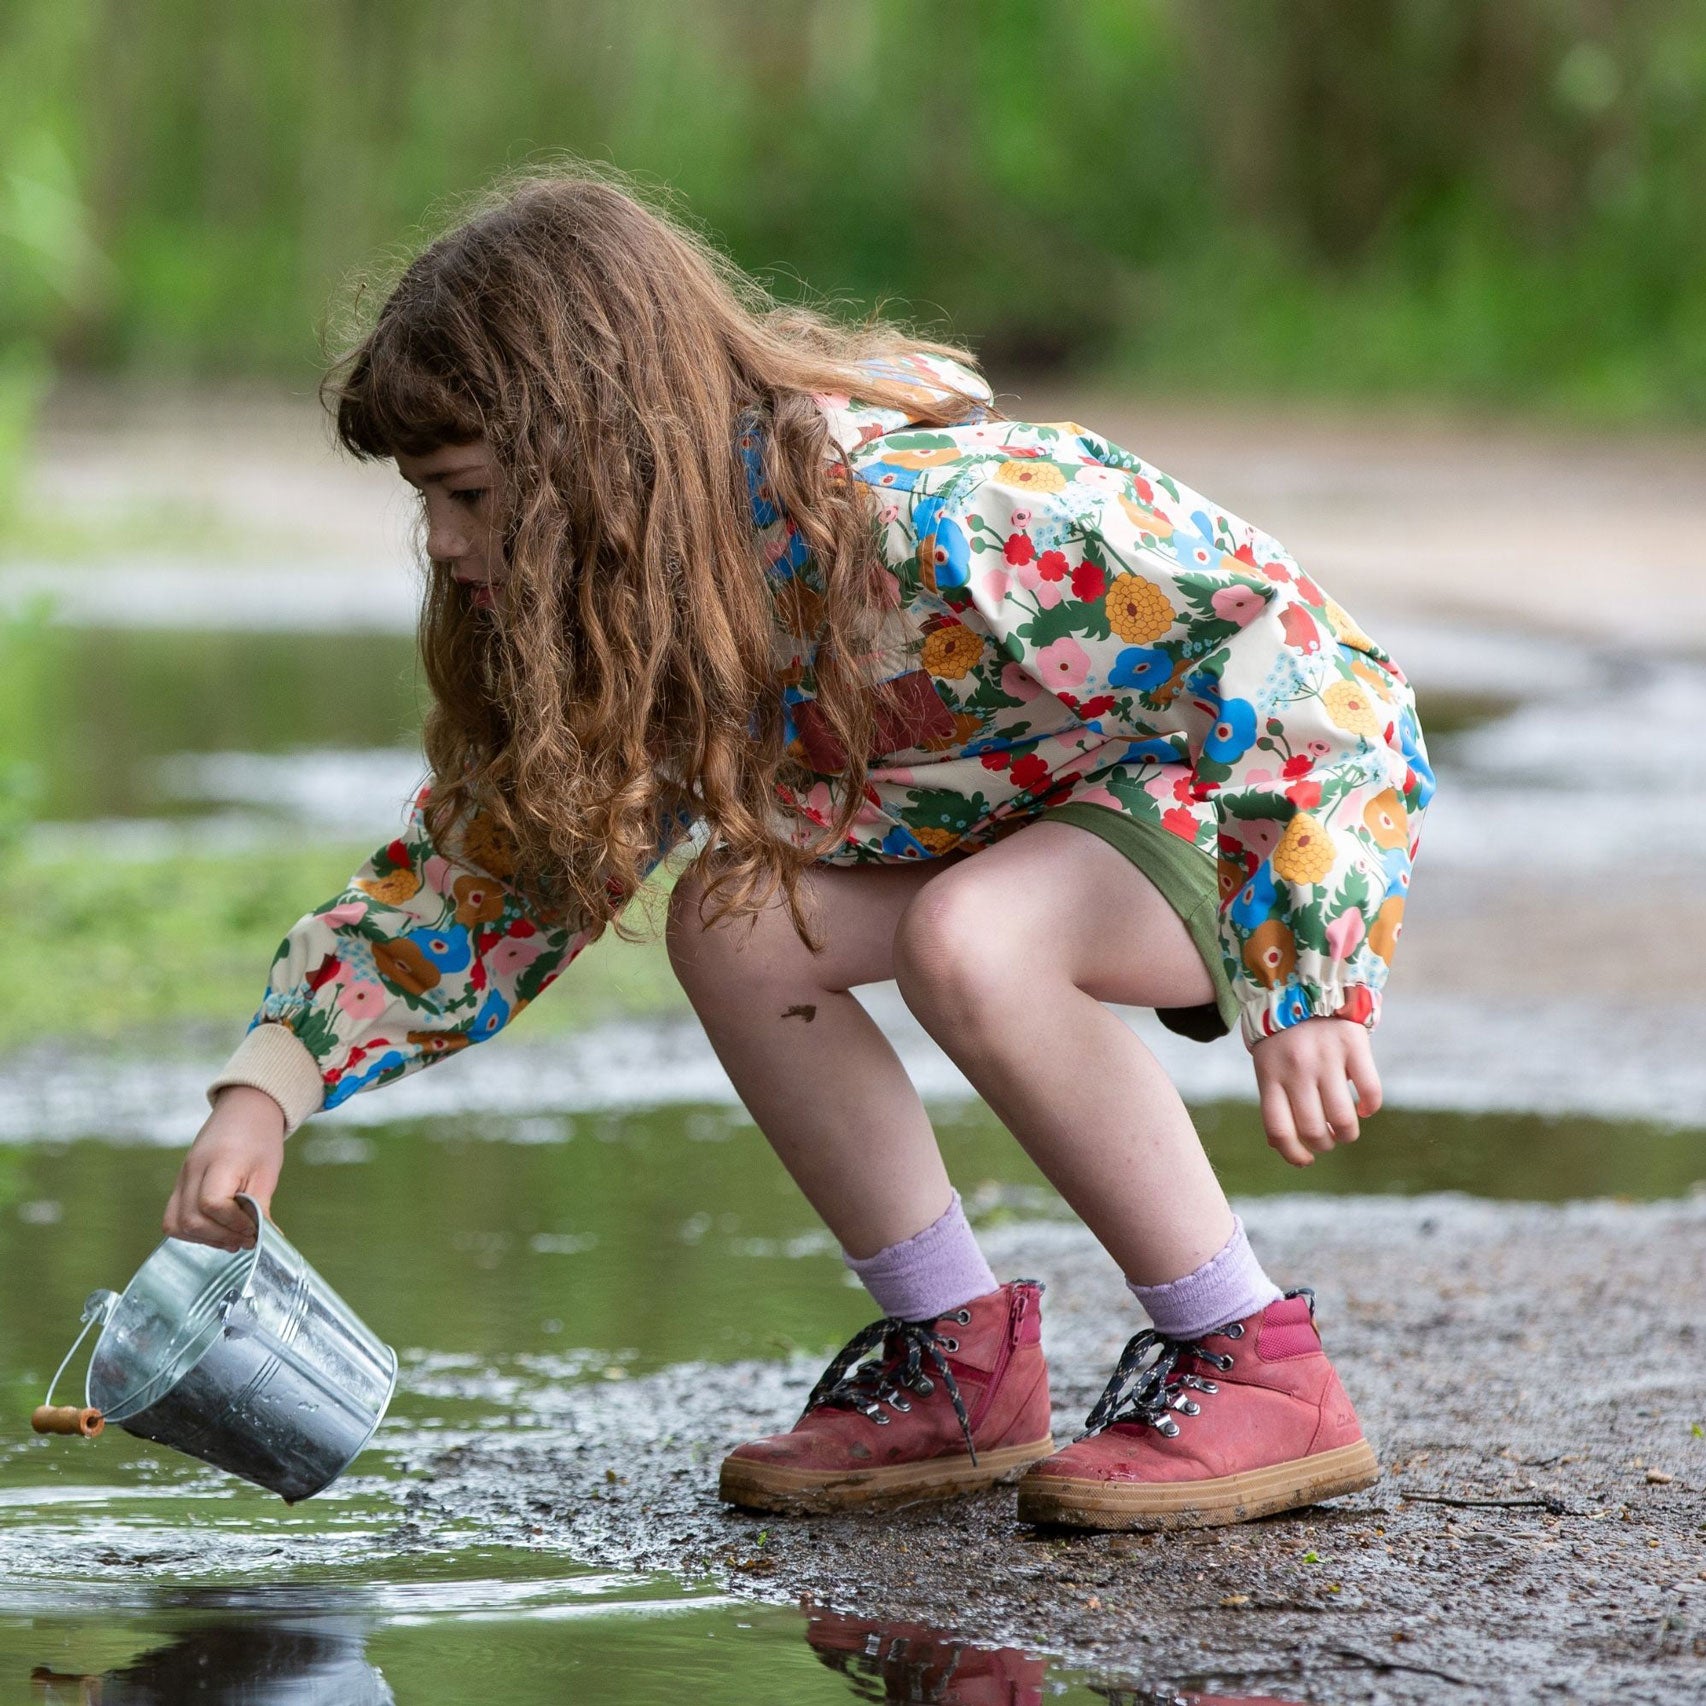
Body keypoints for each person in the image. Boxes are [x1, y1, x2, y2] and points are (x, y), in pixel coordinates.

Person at [161, 170, 1434, 1531]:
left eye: (465, 492)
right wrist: (271, 1082)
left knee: (973, 942)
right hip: (1026, 833)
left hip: (1215, 814)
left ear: (597, 456)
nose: (440, 538)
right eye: (427, 497)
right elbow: (495, 868)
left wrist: (1306, 974)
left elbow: (1304, 662)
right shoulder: (653, 608)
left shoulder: (945, 515)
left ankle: (1252, 1356)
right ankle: (956, 1354)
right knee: (733, 917)